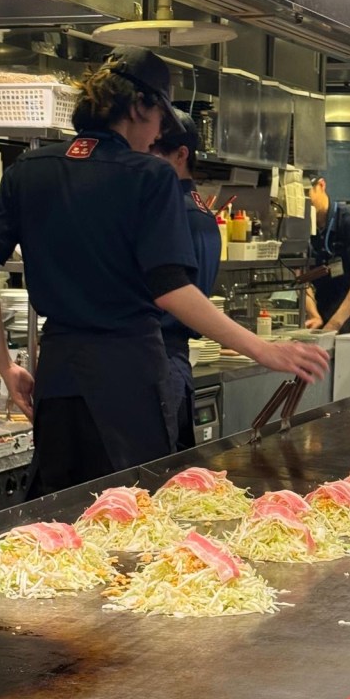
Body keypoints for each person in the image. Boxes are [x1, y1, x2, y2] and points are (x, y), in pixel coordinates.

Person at [0, 46, 328, 498]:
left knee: (58, 515)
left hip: (57, 380)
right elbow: (171, 289)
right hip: (129, 381)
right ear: (140, 107)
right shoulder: (149, 176)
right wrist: (263, 349)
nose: (158, 133)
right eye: (160, 119)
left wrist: (5, 365)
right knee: (132, 514)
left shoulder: (28, 171)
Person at [150, 110, 221, 451]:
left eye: (156, 152)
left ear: (181, 155)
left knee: (154, 472)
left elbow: (173, 294)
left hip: (162, 360)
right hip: (172, 361)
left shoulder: (176, 211)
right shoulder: (198, 209)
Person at [305, 176, 350, 334]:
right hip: (324, 313)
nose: (302, 201)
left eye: (306, 193)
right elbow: (301, 278)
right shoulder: (301, 225)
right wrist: (314, 315)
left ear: (321, 185)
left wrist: (334, 324)